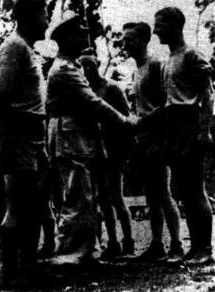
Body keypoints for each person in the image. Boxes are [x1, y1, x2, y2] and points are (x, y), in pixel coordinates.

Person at [46, 13, 139, 267]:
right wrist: (125, 121)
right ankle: (70, 255)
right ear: (66, 39)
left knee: (86, 198)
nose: (84, 38)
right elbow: (93, 103)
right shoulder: (65, 70)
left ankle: (84, 252)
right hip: (72, 140)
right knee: (77, 199)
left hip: (78, 140)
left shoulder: (71, 66)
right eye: (79, 34)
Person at [153, 7, 214, 265]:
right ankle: (195, 248)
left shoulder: (192, 55)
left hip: (190, 124)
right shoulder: (168, 60)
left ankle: (206, 250)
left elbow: (208, 95)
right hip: (173, 126)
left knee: (196, 190)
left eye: (160, 25)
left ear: (175, 25)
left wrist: (204, 131)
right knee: (184, 192)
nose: (156, 30)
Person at [0, 0, 49, 282]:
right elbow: (0, 95)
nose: (47, 19)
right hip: (17, 136)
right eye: (44, 13)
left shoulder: (25, 49)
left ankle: (28, 266)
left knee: (32, 205)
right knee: (17, 205)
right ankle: (10, 270)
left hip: (30, 137)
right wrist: (19, 127)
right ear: (29, 16)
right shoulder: (13, 47)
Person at [122, 21, 183, 263]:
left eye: (130, 39)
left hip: (158, 137)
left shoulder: (157, 64)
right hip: (143, 139)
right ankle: (157, 244)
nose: (125, 44)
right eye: (124, 39)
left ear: (144, 40)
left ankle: (176, 245)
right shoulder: (138, 69)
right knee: (150, 195)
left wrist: (145, 121)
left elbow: (167, 101)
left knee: (163, 192)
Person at [79, 51, 135, 260]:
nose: (87, 69)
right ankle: (112, 243)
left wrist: (123, 149)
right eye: (83, 66)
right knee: (102, 199)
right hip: (95, 151)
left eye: (90, 65)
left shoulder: (111, 88)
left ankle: (128, 241)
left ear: (98, 64)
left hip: (113, 150)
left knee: (115, 197)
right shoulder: (85, 90)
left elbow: (127, 119)